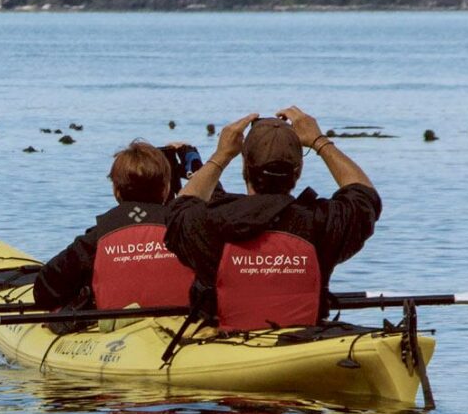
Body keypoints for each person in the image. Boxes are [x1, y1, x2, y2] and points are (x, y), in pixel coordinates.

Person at [164, 107, 379, 332]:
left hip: (225, 346)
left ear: (245, 167)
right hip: (305, 344)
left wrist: (222, 155)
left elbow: (181, 208)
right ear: (298, 171)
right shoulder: (322, 223)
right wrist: (319, 141)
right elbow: (364, 197)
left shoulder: (209, 224)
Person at [33, 140, 203, 313]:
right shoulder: (189, 230)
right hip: (182, 325)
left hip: (117, 327)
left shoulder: (96, 238)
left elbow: (43, 291)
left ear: (116, 191)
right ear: (166, 188)